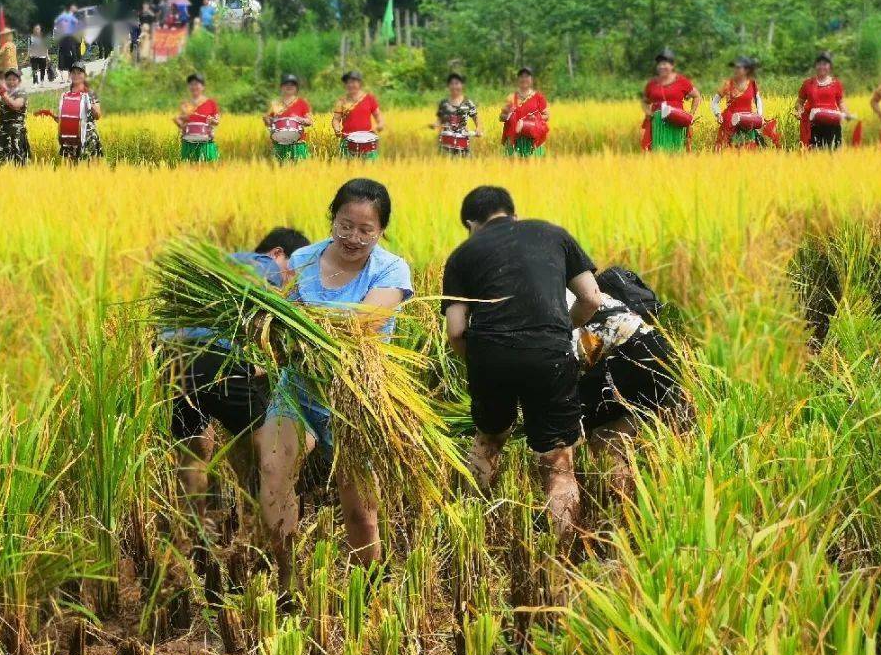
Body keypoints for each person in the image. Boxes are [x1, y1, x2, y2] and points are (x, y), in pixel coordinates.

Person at [255, 178, 413, 591]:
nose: (353, 237)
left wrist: (299, 319)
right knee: (273, 469)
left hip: (355, 394)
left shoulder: (391, 269)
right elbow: (281, 320)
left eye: (365, 230)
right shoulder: (303, 259)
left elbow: (365, 323)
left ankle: (369, 585)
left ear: (381, 231)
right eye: (345, 225)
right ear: (332, 219)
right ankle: (288, 580)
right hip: (299, 385)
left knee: (359, 507)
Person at [442, 186, 601, 536]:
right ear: (513, 214)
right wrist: (560, 330)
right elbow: (592, 297)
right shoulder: (553, 234)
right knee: (557, 459)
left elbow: (456, 330)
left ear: (471, 225)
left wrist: (480, 362)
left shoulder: (463, 254)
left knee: (488, 439)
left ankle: (470, 532)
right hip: (549, 354)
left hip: (490, 356)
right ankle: (561, 551)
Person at [165, 228, 311, 522]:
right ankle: (270, 521)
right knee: (274, 447)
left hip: (172, 359)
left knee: (195, 449)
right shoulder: (263, 265)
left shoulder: (221, 267)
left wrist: (255, 368)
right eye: (293, 272)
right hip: (211, 356)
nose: (290, 283)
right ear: (278, 253)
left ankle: (193, 531)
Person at [571, 288, 680, 498]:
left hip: (634, 358)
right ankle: (633, 504)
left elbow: (575, 359)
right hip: (664, 360)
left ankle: (620, 503)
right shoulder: (584, 290)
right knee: (610, 437)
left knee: (597, 435)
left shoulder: (561, 302)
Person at [642, 49, 701, 152]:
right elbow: (645, 101)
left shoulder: (681, 81)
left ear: (672, 65)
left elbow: (696, 96)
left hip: (677, 121)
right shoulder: (652, 83)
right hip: (658, 124)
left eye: (665, 64)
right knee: (658, 152)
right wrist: (648, 113)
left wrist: (691, 114)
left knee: (677, 151)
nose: (661, 66)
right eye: (659, 64)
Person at [711, 56, 778, 149]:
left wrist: (759, 116)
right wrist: (718, 114)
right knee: (730, 149)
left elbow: (758, 100)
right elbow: (714, 102)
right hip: (730, 122)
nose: (735, 70)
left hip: (748, 121)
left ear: (746, 70)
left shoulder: (752, 83)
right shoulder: (727, 84)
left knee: (748, 149)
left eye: (738, 67)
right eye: (735, 67)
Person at [795, 52, 852, 150]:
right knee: (814, 153)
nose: (822, 67)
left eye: (825, 64)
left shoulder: (836, 83)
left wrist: (847, 113)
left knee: (832, 152)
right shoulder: (808, 84)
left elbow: (841, 102)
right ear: (815, 66)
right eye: (819, 64)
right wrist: (799, 111)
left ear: (830, 66)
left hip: (832, 123)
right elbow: (799, 102)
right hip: (813, 126)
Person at [332, 70, 384, 159]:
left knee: (369, 166)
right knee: (347, 166)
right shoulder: (341, 101)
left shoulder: (369, 98)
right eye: (348, 83)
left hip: (367, 141)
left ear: (359, 83)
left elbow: (378, 116)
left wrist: (380, 125)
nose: (350, 85)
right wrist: (336, 129)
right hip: (347, 140)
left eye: (353, 82)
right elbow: (336, 119)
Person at [59, 61, 103, 161]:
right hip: (71, 138)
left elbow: (98, 116)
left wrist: (92, 105)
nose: (76, 75)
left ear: (84, 75)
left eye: (79, 73)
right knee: (72, 168)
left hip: (88, 137)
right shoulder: (67, 95)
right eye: (73, 73)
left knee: (90, 168)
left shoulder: (90, 93)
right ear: (70, 75)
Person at [500, 67, 549, 156]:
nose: (524, 79)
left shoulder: (538, 97)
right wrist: (509, 115)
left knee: (535, 163)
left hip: (534, 140)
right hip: (514, 140)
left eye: (527, 76)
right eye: (521, 76)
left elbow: (546, 116)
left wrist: (535, 119)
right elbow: (501, 117)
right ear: (518, 80)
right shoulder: (511, 97)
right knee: (513, 163)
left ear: (531, 79)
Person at [264, 73, 313, 162]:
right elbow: (268, 122)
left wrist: (300, 119)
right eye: (286, 84)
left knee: (301, 168)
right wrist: (266, 120)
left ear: (296, 87)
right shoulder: (275, 104)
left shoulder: (302, 103)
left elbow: (310, 121)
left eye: (292, 84)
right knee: (279, 168)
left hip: (298, 144)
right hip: (279, 143)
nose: (289, 86)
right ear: (281, 87)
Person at [433, 72, 482, 154]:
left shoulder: (467, 103)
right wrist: (435, 124)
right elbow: (439, 119)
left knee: (464, 161)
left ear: (462, 85)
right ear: (448, 86)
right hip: (446, 143)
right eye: (451, 84)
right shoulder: (443, 103)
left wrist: (478, 128)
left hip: (462, 143)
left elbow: (476, 118)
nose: (454, 86)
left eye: (457, 83)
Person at [176, 73, 220, 162]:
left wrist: (212, 121)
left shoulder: (211, 103)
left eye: (196, 84)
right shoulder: (185, 104)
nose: (194, 87)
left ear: (203, 87)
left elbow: (217, 122)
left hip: (206, 143)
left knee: (208, 166)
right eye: (191, 84)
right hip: (188, 142)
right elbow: (182, 123)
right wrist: (180, 124)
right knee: (189, 167)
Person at [0, 68, 30, 166]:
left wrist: (3, 94)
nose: (11, 82)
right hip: (2, 134)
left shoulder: (21, 93)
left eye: (14, 79)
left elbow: (15, 105)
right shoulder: (3, 94)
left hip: (16, 134)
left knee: (18, 161)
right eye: (9, 79)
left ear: (19, 81)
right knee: (1, 162)